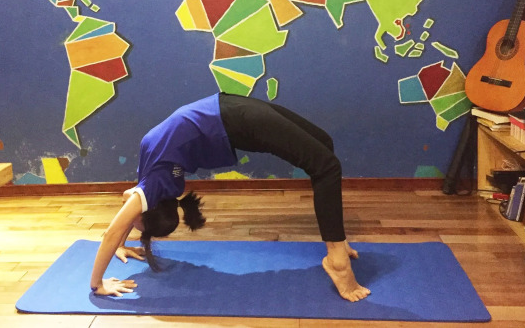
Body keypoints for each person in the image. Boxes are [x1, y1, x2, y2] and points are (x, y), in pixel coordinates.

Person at [89, 93, 371, 302]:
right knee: (324, 157)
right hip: (228, 112)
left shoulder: (154, 186)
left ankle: (336, 252)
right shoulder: (160, 185)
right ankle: (337, 253)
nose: (128, 219)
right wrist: (122, 245)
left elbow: (113, 229)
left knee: (325, 157)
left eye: (134, 225)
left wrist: (98, 284)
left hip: (232, 118)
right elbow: (125, 212)